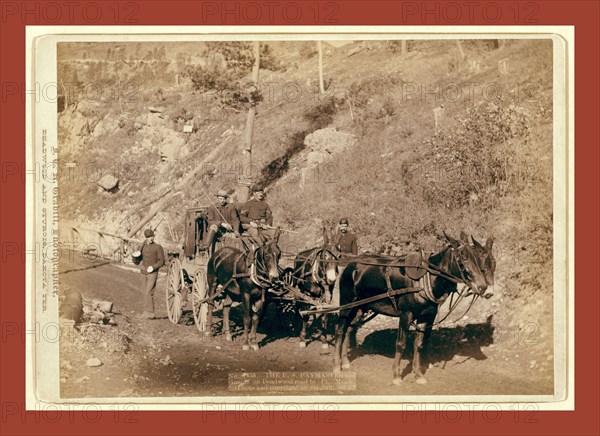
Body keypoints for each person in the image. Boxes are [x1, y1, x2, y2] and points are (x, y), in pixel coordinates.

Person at [133, 228, 165, 320]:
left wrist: (154, 267)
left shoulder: (158, 247)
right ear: (146, 238)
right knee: (144, 292)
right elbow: (137, 261)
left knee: (149, 292)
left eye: (152, 236)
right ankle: (145, 312)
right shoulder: (142, 246)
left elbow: (162, 261)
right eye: (149, 237)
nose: (151, 238)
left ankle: (150, 313)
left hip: (153, 273)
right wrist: (135, 256)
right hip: (143, 272)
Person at [203, 189, 241, 254]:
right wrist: (222, 224)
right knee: (213, 226)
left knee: (234, 240)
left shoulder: (231, 207)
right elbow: (210, 221)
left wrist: (236, 230)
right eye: (220, 199)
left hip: (228, 231)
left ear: (226, 199)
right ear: (217, 198)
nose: (222, 201)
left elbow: (235, 219)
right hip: (218, 231)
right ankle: (206, 247)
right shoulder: (212, 207)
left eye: (223, 199)